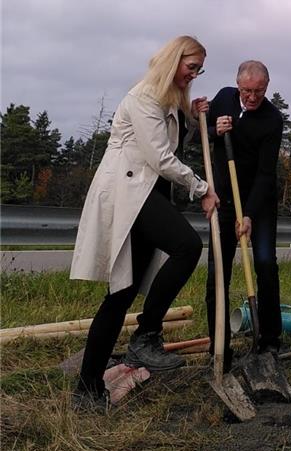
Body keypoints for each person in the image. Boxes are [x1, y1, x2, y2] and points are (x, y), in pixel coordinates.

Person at [70, 35, 220, 409]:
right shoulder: (145, 96)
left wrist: (192, 115)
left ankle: (88, 387)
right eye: (191, 67)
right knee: (187, 246)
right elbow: (160, 158)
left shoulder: (167, 97)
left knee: (120, 294)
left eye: (200, 70)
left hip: (144, 192)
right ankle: (146, 335)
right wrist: (202, 188)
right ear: (174, 61)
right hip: (128, 193)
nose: (194, 75)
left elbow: (169, 140)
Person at [204, 60, 284, 369]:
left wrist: (249, 214)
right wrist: (214, 129)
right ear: (238, 86)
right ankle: (219, 346)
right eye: (247, 91)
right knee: (218, 271)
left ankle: (269, 341)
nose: (252, 97)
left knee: (264, 264)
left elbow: (266, 174)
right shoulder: (224, 98)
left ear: (267, 87)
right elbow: (200, 133)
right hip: (223, 198)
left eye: (259, 91)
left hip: (259, 203)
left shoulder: (272, 119)